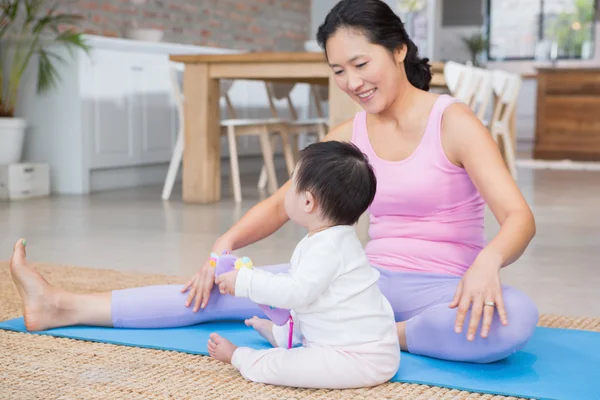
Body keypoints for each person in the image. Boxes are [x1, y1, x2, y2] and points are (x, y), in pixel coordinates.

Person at [9, 0, 538, 364]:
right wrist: (226, 246)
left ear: (398, 49)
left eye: (361, 63)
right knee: (226, 289)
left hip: (441, 290)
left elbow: (519, 218)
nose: (352, 82)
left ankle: (360, 336)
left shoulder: (453, 121)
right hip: (360, 278)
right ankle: (64, 306)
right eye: (338, 71)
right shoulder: (348, 133)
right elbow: (284, 202)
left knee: (514, 319)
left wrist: (486, 263)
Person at [207, 141, 399, 389]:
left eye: (291, 183)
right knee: (308, 310)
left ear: (307, 202)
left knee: (286, 366)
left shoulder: (327, 248)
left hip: (359, 359)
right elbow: (308, 300)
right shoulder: (332, 239)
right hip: (348, 342)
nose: (286, 192)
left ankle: (241, 357)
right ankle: (281, 334)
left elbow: (297, 292)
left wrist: (245, 281)